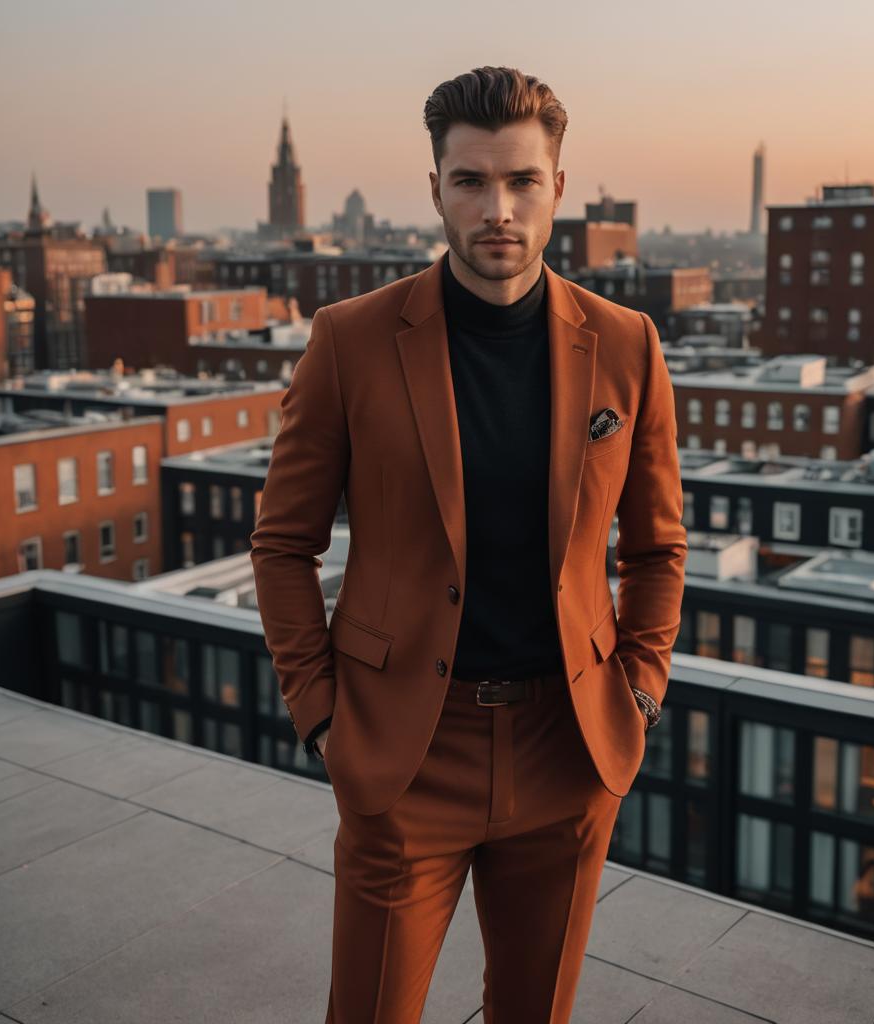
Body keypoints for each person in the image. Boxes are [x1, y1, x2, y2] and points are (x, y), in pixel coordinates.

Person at [250, 64, 687, 1024]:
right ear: (437, 187)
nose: (499, 208)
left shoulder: (626, 343)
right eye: (472, 181)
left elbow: (657, 547)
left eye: (523, 181)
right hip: (404, 746)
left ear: (558, 190)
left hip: (568, 746)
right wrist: (321, 714)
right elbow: (283, 545)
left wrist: (642, 688)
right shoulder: (351, 339)